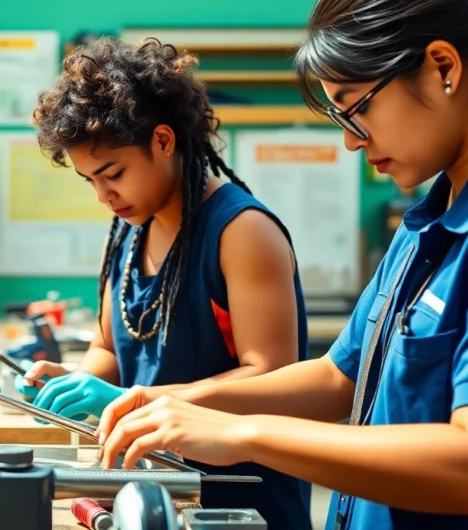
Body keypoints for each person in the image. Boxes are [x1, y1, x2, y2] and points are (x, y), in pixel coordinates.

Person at [96, 0, 468, 528]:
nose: (351, 141)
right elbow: (338, 376)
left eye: (354, 109)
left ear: (443, 67)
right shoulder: (435, 213)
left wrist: (245, 433)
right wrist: (177, 402)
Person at [18, 36, 312, 528]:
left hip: (236, 503)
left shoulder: (242, 231)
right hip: (149, 496)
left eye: (112, 173)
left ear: (163, 140)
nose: (103, 195)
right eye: (90, 179)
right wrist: (74, 385)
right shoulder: (128, 228)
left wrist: (137, 402)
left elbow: (271, 375)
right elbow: (110, 348)